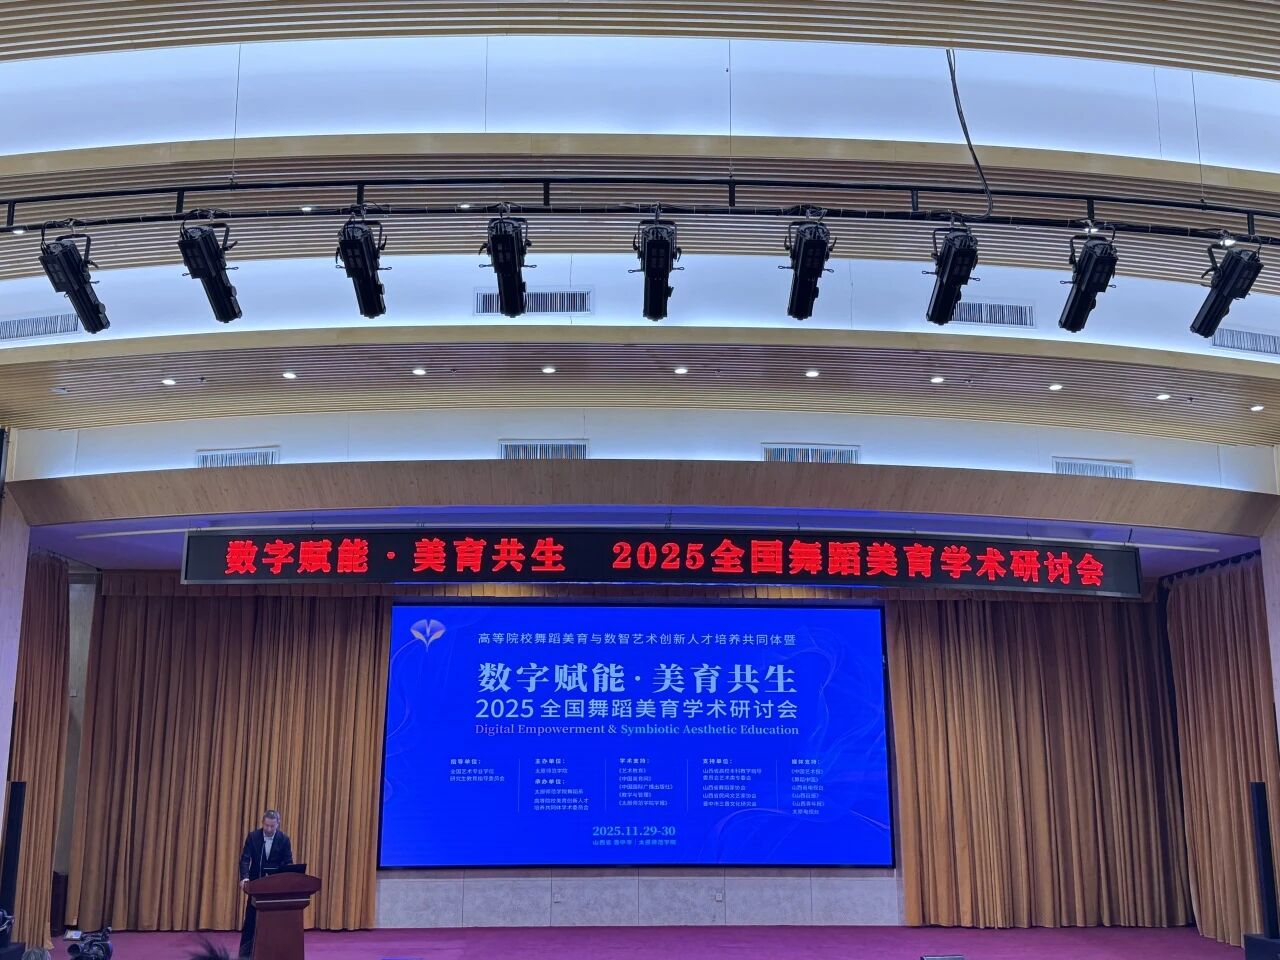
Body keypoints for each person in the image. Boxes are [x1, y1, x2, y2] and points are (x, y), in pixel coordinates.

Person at [238, 809, 293, 959]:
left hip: (275, 889)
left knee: (274, 924)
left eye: (272, 826)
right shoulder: (253, 837)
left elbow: (288, 863)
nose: (268, 829)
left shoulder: (284, 839)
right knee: (250, 922)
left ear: (278, 824)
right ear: (262, 822)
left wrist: (287, 881)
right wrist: (245, 878)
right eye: (266, 825)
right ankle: (244, 956)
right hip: (256, 886)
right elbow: (245, 859)